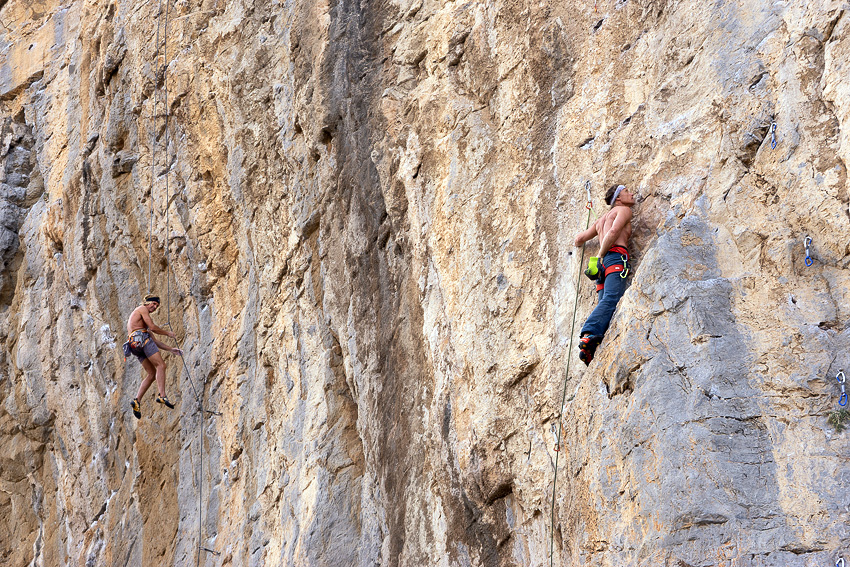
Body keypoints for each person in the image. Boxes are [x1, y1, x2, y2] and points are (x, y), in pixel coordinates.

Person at [573, 184, 636, 364]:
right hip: (615, 258)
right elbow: (614, 231)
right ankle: (589, 332)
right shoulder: (623, 210)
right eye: (626, 192)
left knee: (604, 304)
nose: (631, 194)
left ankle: (591, 345)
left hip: (602, 265)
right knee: (612, 298)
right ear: (618, 199)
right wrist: (600, 254)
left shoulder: (600, 220)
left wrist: (598, 255)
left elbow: (579, 239)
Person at [125, 294, 182, 419]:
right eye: (154, 304)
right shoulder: (142, 309)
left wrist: (171, 349)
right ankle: (162, 395)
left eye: (157, 306)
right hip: (142, 340)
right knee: (161, 365)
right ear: (147, 302)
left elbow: (155, 342)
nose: (155, 307)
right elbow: (153, 327)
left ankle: (137, 401)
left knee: (151, 374)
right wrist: (168, 333)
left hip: (134, 344)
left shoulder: (140, 325)